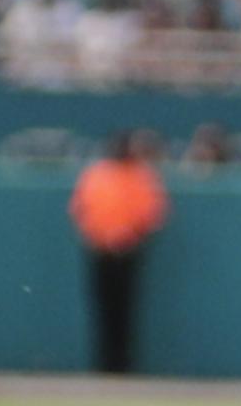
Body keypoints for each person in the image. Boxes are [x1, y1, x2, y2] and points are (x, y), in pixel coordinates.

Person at [69, 129, 168, 374]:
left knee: (125, 310)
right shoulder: (97, 174)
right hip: (100, 250)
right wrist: (99, 236)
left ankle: (123, 366)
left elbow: (152, 214)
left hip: (128, 252)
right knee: (103, 308)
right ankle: (104, 364)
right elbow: (80, 209)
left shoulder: (141, 175)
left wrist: (129, 237)